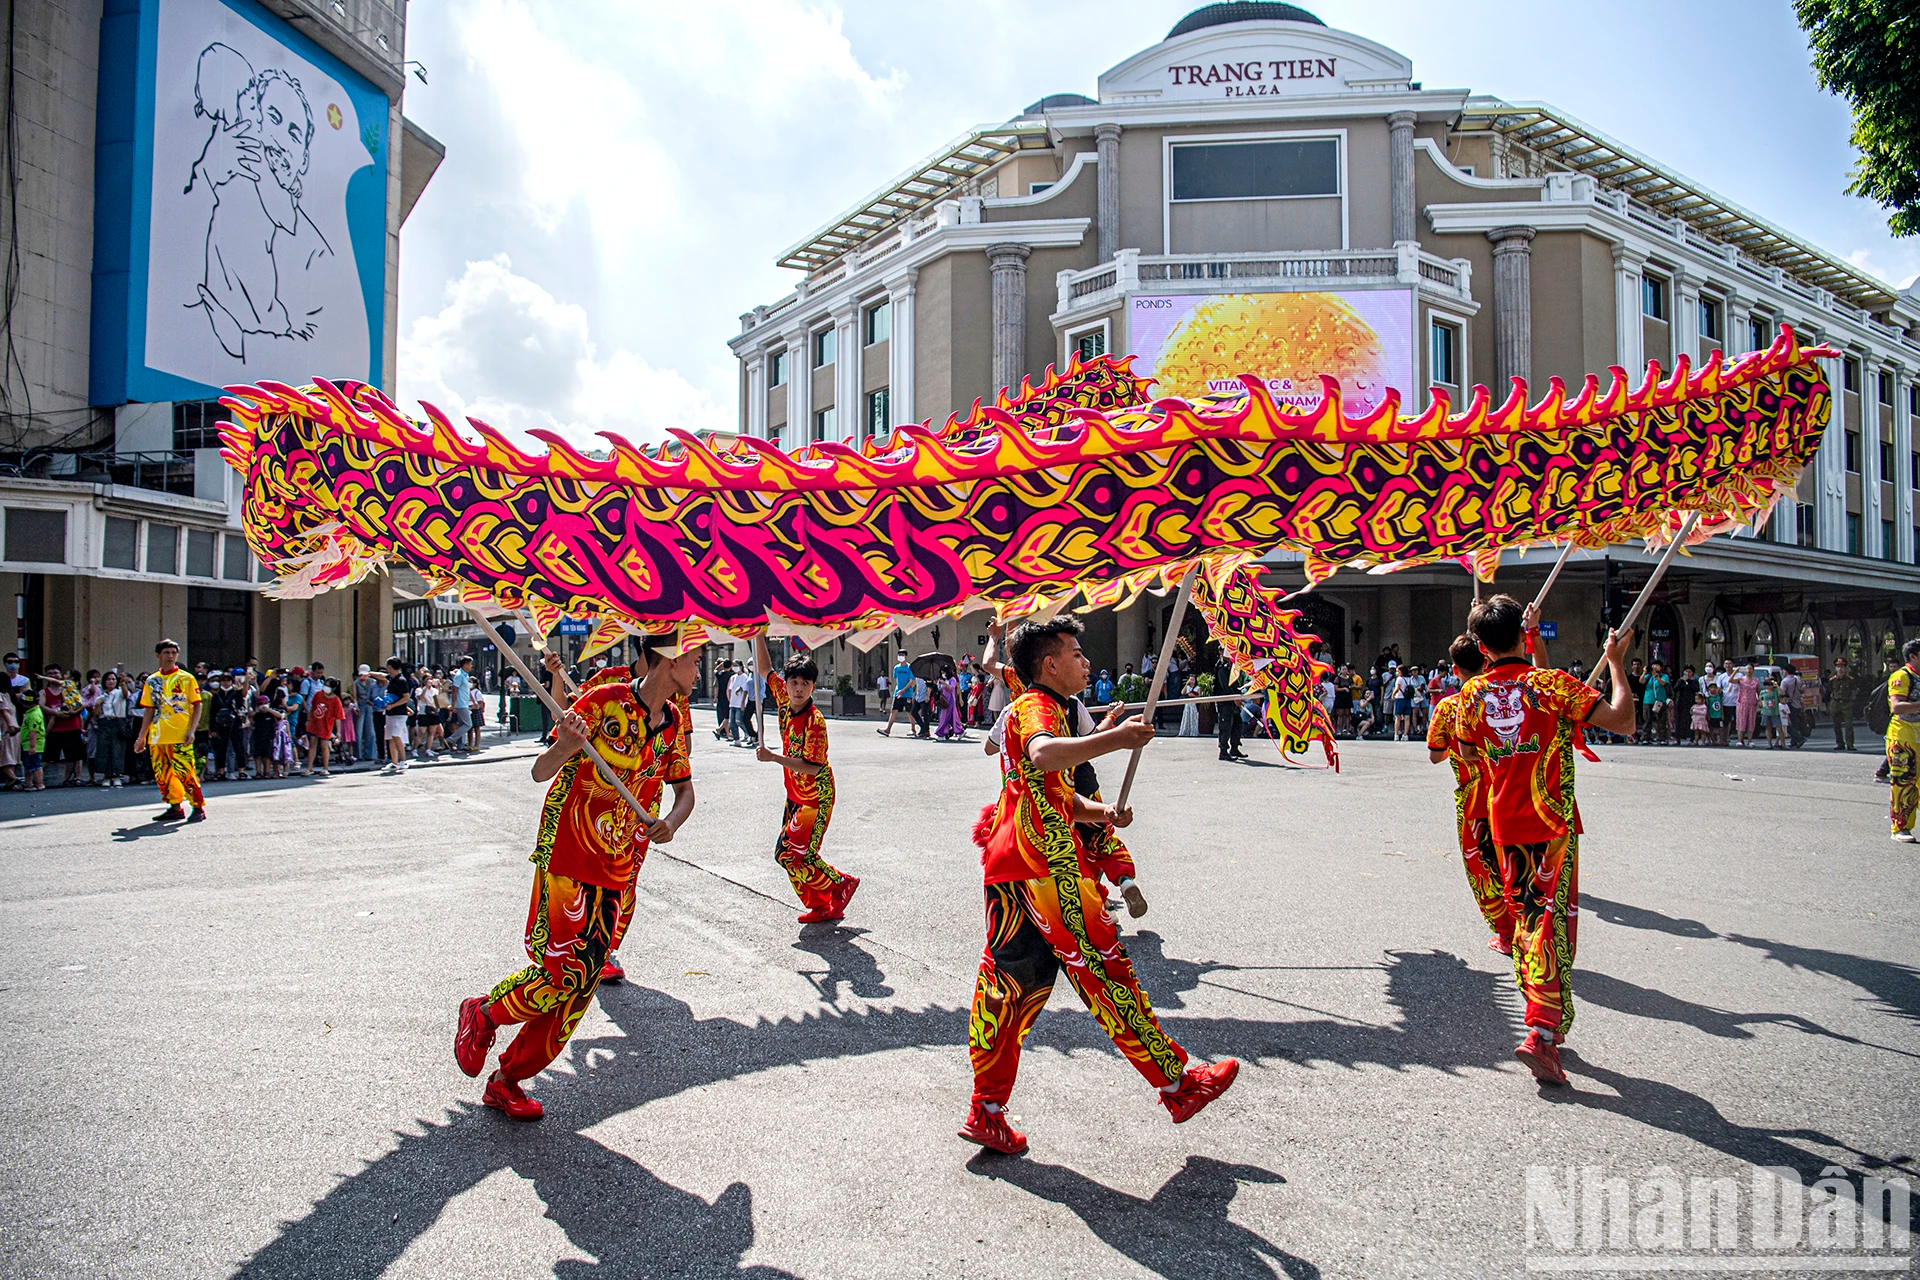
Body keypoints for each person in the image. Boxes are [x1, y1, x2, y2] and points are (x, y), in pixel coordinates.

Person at [961, 616, 1235, 1155]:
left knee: (1012, 990)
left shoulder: (1042, 709)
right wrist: (1116, 738)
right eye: (1076, 652)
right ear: (1049, 664)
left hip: (1012, 861)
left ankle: (985, 1109)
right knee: (1106, 971)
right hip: (1048, 867)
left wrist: (1104, 810)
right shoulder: (1040, 706)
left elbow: (1053, 792)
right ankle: (1178, 1085)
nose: (1085, 661)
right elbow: (1043, 755)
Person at [453, 636, 699, 1121]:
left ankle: (507, 1080)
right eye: (693, 659)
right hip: (569, 852)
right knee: (563, 971)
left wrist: (671, 822)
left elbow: (686, 792)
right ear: (669, 659)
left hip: (617, 863)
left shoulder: (673, 726)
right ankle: (483, 1013)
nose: (699, 668)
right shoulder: (604, 701)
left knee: (583, 983)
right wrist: (566, 744)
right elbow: (540, 771)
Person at [1452, 595, 1638, 1086]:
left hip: (1503, 824)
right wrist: (1616, 664)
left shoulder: (1471, 697)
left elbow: (1469, 752)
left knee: (1532, 923)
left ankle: (1543, 1026)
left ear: (1480, 644)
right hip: (1550, 822)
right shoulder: (1549, 685)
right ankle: (1541, 1032)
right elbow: (1624, 721)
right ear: (1522, 633)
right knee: (1547, 926)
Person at [753, 637, 859, 924]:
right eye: (794, 682)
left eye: (805, 683)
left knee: (799, 856)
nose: (798, 688)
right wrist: (758, 634)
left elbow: (811, 768)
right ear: (786, 684)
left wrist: (774, 757)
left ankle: (840, 884)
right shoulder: (784, 700)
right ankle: (820, 904)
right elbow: (765, 668)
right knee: (785, 855)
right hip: (794, 795)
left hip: (816, 796)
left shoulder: (815, 721)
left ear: (813, 687)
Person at [1426, 633, 1515, 956]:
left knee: (1482, 868)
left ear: (1454, 668)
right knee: (1515, 862)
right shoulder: (1505, 698)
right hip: (1512, 789)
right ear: (1486, 659)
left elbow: (1435, 754)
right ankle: (1529, 926)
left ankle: (1506, 933)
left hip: (1474, 797)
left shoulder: (1450, 707)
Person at [133, 639, 206, 823]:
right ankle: (175, 806)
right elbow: (149, 709)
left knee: (185, 770)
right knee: (162, 772)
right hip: (158, 735)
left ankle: (197, 807)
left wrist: (192, 730)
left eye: (173, 653)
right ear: (158, 655)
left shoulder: (186, 678)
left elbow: (197, 705)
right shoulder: (152, 680)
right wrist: (142, 736)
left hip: (181, 734)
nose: (170, 656)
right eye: (166, 652)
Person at [1887, 639, 1919, 843]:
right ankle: (1900, 828)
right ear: (1913, 656)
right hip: (1903, 736)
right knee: (1904, 782)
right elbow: (1897, 707)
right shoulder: (1901, 676)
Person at [303, 678, 344, 777]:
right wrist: (308, 719)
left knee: (324, 746)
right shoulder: (318, 694)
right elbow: (312, 707)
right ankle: (309, 768)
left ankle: (325, 768)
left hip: (326, 725)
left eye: (328, 686)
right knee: (312, 745)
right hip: (314, 723)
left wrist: (338, 732)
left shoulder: (336, 700)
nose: (325, 687)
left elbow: (338, 717)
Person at [380, 658, 414, 774]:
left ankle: (403, 760)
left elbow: (406, 697)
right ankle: (394, 762)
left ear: (391, 667)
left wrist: (394, 705)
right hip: (390, 713)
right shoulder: (392, 679)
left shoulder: (401, 680)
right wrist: (369, 674)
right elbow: (381, 676)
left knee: (396, 735)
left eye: (387, 666)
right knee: (390, 737)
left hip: (399, 713)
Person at [1214, 652, 1244, 761]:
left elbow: (1235, 683)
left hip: (1233, 700)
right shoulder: (1222, 667)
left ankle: (1234, 747)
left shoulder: (1232, 665)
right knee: (1225, 726)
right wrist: (1233, 697)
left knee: (1237, 723)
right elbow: (1225, 685)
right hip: (1225, 700)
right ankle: (1223, 751)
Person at [880, 653, 915, 738]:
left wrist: (903, 690)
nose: (900, 657)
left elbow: (911, 681)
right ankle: (887, 730)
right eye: (899, 655)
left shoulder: (909, 668)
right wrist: (898, 691)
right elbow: (897, 680)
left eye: (902, 655)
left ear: (906, 656)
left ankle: (913, 729)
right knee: (893, 711)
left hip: (907, 694)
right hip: (898, 694)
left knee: (909, 712)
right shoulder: (896, 668)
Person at [1829, 657, 1857, 752]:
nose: (1840, 669)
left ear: (1845, 668)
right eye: (1838, 667)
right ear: (1835, 669)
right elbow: (1828, 691)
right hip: (1835, 703)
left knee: (1849, 725)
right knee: (1836, 725)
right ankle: (1839, 743)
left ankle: (1850, 744)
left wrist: (1852, 701)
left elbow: (1854, 691)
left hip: (1846, 704)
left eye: (1842, 667)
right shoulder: (1832, 680)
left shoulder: (1850, 680)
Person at [1641, 662, 1671, 745]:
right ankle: (1645, 737)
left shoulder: (1664, 676)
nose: (1655, 667)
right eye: (1654, 665)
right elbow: (1641, 681)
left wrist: (1657, 677)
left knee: (1661, 720)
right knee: (1647, 719)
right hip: (1648, 700)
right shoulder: (1649, 676)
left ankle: (1662, 738)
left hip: (1660, 700)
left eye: (1657, 665)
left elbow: (1663, 683)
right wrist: (1644, 672)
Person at [1731, 665, 1759, 747]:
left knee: (1751, 722)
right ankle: (1740, 740)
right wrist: (1735, 672)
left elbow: (1758, 691)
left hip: (1752, 703)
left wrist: (1759, 700)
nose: (1749, 670)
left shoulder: (1756, 680)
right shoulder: (1741, 679)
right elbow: (1731, 680)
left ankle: (1750, 740)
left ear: (1753, 670)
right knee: (1741, 721)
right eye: (1747, 669)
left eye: (1750, 669)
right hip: (1742, 703)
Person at [1758, 676, 1783, 749]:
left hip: (1775, 712)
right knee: (1768, 728)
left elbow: (1783, 693)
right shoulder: (1763, 692)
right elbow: (1761, 701)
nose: (1769, 686)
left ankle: (1783, 743)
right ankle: (1769, 743)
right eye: (1767, 684)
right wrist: (1760, 704)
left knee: (1779, 728)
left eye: (1770, 684)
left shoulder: (1775, 691)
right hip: (1766, 711)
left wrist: (1777, 685)